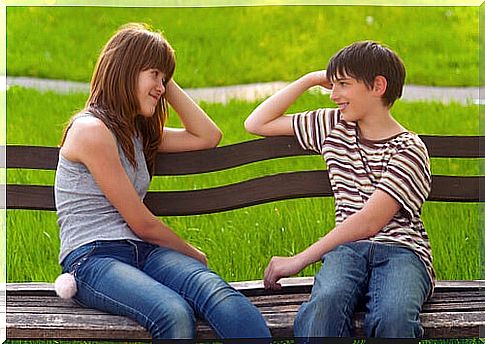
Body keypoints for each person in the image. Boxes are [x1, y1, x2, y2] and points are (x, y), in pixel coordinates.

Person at [54, 23, 271, 340]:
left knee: (217, 293)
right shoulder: (91, 130)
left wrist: (162, 80)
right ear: (125, 71)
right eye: (153, 74)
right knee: (173, 312)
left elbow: (207, 135)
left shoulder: (137, 133)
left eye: (164, 78)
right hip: (93, 259)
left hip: (144, 252)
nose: (160, 86)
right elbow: (142, 223)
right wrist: (193, 253)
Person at [244, 41, 434, 339]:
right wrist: (309, 80)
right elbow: (256, 122)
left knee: (393, 317)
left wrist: (299, 259)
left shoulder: (409, 149)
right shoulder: (333, 125)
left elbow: (370, 222)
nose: (333, 95)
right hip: (347, 251)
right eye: (332, 84)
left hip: (402, 251)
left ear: (378, 86)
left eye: (343, 84)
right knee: (324, 308)